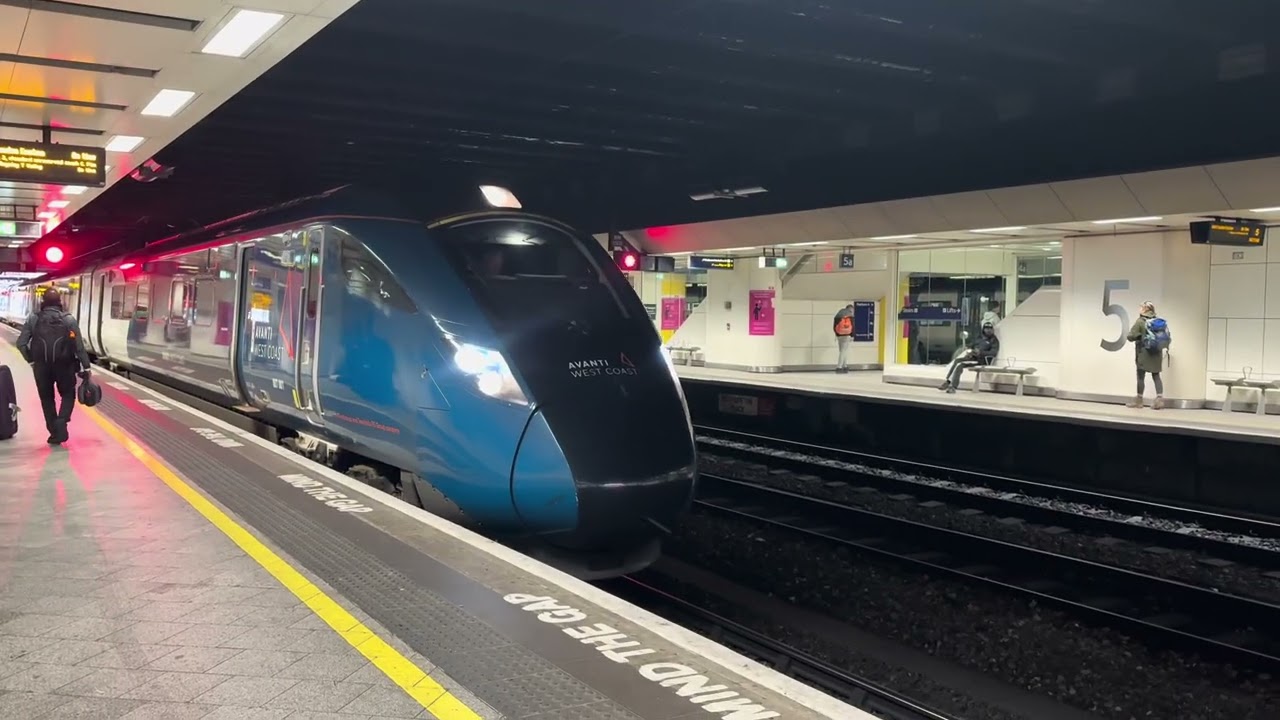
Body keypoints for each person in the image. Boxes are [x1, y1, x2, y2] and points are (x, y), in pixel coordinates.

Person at [15, 288, 92, 444]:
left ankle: (54, 433)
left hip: (41, 367)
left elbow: (21, 343)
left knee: (47, 399)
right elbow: (79, 347)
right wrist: (87, 367)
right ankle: (61, 421)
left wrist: (31, 360)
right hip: (65, 366)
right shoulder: (69, 320)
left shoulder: (33, 319)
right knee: (68, 395)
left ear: (42, 302)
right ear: (60, 302)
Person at [1126, 301, 1169, 410]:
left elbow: (1130, 336)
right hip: (1156, 353)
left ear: (1145, 309)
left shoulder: (1140, 321)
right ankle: (1159, 400)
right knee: (1156, 375)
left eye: (1141, 307)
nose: (1139, 309)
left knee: (1141, 376)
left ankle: (1139, 401)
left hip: (1143, 354)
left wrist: (1139, 336)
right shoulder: (1159, 322)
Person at [938, 322, 999, 393]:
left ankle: (952, 385)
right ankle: (948, 382)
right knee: (957, 361)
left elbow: (993, 353)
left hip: (980, 360)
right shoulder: (979, 338)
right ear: (983, 329)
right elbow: (972, 345)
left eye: (990, 329)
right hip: (972, 357)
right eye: (986, 329)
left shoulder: (993, 341)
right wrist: (968, 348)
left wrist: (981, 353)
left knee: (959, 365)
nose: (988, 330)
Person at [833, 304, 854, 373]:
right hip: (847, 335)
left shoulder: (838, 314)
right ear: (850, 309)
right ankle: (839, 367)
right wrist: (852, 335)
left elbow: (834, 326)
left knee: (842, 351)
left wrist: (837, 334)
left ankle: (845, 365)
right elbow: (853, 327)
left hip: (839, 335)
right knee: (843, 351)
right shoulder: (850, 315)